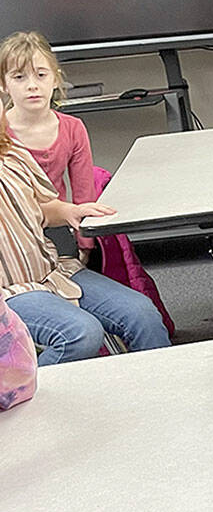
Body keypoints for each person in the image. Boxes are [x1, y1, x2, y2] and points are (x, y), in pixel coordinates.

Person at [0, 103, 171, 364]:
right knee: (80, 334)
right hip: (8, 291)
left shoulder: (12, 153)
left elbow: (42, 208)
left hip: (53, 273)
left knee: (142, 314)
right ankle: (17, 397)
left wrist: (70, 210)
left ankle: (164, 396)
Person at [0, 31, 95, 262]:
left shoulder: (73, 128)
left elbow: (84, 193)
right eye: (19, 77)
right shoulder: (2, 130)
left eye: (41, 75)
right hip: (10, 229)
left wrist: (86, 245)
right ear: (4, 84)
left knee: (69, 272)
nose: (32, 86)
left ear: (55, 79)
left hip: (56, 223)